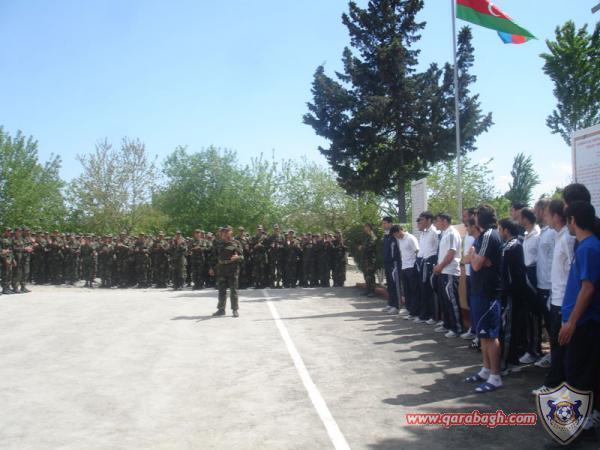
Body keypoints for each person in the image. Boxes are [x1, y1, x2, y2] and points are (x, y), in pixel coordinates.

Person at [559, 201, 600, 437]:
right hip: (581, 322)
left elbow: (588, 288)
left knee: (576, 374)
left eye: (568, 220)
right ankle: (584, 421)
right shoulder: (586, 246)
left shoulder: (589, 248)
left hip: (584, 324)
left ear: (573, 220)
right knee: (581, 373)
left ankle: (576, 428)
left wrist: (572, 322)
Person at [532, 199, 574, 395]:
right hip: (555, 297)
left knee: (560, 346)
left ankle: (554, 386)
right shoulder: (558, 236)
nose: (544, 218)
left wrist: (566, 303)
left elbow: (573, 273)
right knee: (556, 345)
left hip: (563, 301)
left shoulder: (567, 238)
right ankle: (556, 384)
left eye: (547, 214)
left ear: (556, 216)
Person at [465, 204, 503, 393]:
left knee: (490, 335)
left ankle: (495, 376)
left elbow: (476, 264)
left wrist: (474, 256)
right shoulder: (482, 236)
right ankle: (486, 369)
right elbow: (471, 259)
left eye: (476, 214)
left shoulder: (489, 235)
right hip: (478, 291)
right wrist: (475, 257)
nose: (473, 217)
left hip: (488, 293)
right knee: (483, 334)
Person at [497, 219, 531, 375]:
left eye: (500, 229)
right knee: (511, 328)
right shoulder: (512, 245)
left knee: (508, 329)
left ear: (506, 230)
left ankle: (506, 363)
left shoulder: (511, 247)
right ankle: (511, 360)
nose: (499, 232)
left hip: (511, 295)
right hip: (513, 294)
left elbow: (510, 275)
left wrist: (506, 291)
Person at [533, 199, 556, 369]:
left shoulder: (553, 233)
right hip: (541, 284)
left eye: (537, 210)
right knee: (547, 324)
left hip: (550, 286)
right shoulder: (545, 231)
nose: (535, 213)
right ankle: (552, 355)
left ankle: (555, 357)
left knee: (552, 324)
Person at [432, 213, 463, 338]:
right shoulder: (444, 234)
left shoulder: (451, 233)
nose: (436, 223)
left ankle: (457, 328)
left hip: (450, 272)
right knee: (444, 300)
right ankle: (448, 324)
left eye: (437, 221)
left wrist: (440, 266)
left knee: (451, 300)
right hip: (443, 272)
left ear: (444, 221)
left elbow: (451, 253)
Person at [520, 207, 541, 365]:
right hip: (526, 274)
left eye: (520, 217)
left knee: (534, 316)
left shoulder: (537, 235)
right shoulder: (527, 235)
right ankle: (530, 348)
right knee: (528, 315)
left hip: (533, 276)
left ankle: (535, 350)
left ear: (526, 219)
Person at [211, 226, 243, 317]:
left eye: (227, 232)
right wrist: (211, 268)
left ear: (231, 232)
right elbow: (213, 257)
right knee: (221, 290)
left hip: (232, 269)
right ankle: (221, 309)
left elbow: (242, 256)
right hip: (221, 269)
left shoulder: (236, 243)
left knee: (233, 290)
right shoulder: (218, 243)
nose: (224, 233)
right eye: (223, 232)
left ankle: (235, 309)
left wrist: (237, 257)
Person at [414, 211, 439, 324]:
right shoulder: (423, 233)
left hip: (430, 263)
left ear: (429, 220)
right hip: (422, 262)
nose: (420, 222)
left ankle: (432, 316)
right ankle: (424, 314)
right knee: (422, 289)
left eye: (422, 219)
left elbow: (437, 249)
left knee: (429, 290)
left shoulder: (434, 232)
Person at [394, 226, 419, 320]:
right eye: (395, 235)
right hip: (404, 267)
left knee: (414, 290)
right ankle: (409, 309)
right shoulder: (400, 240)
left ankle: (414, 312)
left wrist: (417, 266)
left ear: (400, 231)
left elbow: (417, 251)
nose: (396, 236)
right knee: (407, 290)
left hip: (411, 267)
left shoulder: (410, 238)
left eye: (396, 234)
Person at [460, 213, 478, 340]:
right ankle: (473, 328)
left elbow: (470, 256)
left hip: (475, 273)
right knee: (470, 302)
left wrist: (467, 258)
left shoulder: (478, 236)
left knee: (476, 303)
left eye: (466, 216)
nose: (463, 218)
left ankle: (477, 331)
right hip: (467, 273)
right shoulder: (467, 234)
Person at [382, 217, 400, 314]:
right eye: (383, 223)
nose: (383, 225)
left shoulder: (395, 235)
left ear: (390, 223)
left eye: (385, 223)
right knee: (389, 285)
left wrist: (395, 261)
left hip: (394, 264)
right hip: (387, 263)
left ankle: (397, 306)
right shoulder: (386, 235)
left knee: (395, 285)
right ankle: (391, 303)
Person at [359, 223, 377, 297]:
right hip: (365, 259)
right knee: (366, 275)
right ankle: (368, 290)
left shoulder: (372, 236)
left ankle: (372, 291)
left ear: (369, 228)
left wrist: (362, 247)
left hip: (370, 260)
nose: (364, 228)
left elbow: (370, 248)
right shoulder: (367, 237)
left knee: (370, 276)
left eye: (365, 227)